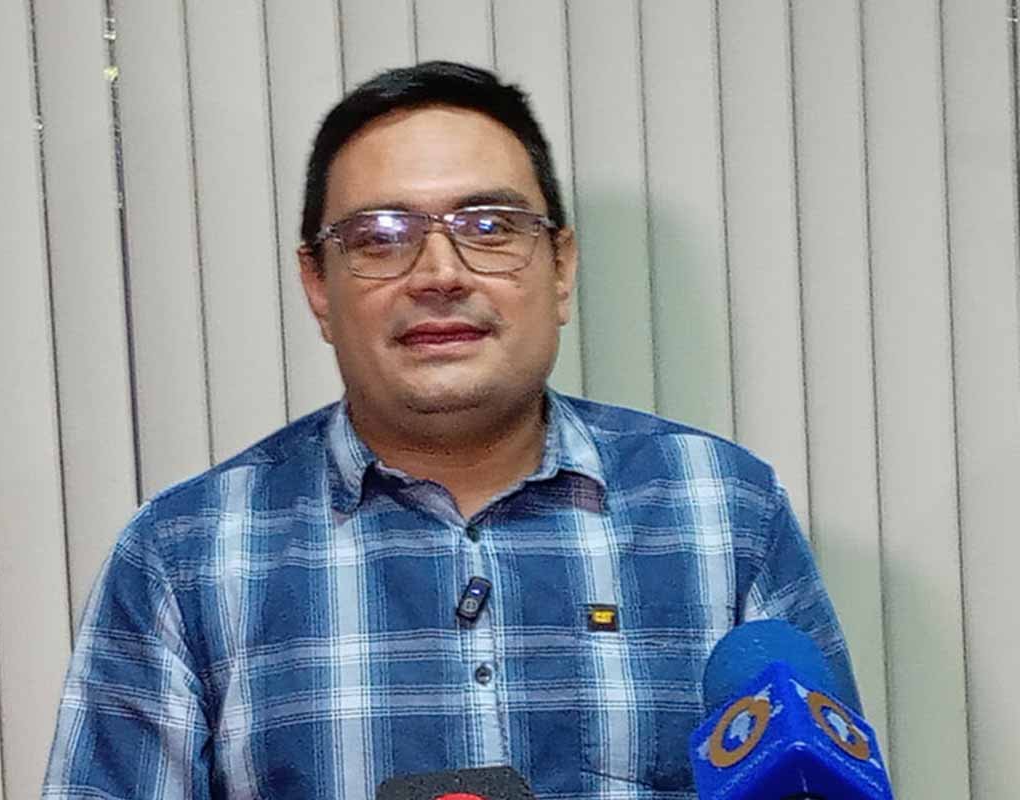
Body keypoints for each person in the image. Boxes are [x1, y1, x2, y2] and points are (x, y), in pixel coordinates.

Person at [43, 61, 859, 799]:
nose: (439, 274)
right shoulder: (186, 554)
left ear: (562, 267)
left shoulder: (723, 511)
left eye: (490, 227)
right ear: (318, 286)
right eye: (380, 238)